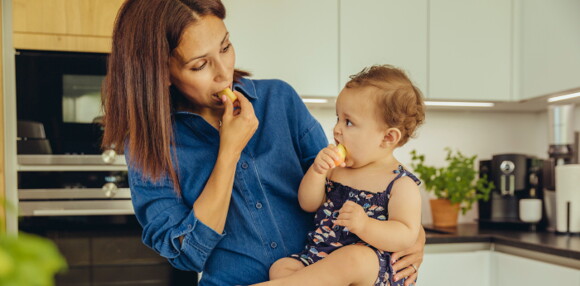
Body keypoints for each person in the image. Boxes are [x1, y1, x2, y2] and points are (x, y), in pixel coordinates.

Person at [101, 0, 425, 285]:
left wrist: (412, 233)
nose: (223, 73)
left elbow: (340, 188)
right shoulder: (150, 146)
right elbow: (187, 255)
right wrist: (228, 151)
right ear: (162, 71)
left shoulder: (279, 100)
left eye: (225, 47)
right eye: (199, 65)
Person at [252, 65, 425, 286]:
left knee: (354, 258)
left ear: (388, 137)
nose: (336, 130)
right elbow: (308, 203)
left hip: (370, 268)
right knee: (282, 268)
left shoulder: (400, 184)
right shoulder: (337, 169)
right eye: (338, 119)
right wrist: (317, 172)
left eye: (349, 122)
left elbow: (406, 234)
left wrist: (365, 226)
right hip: (319, 258)